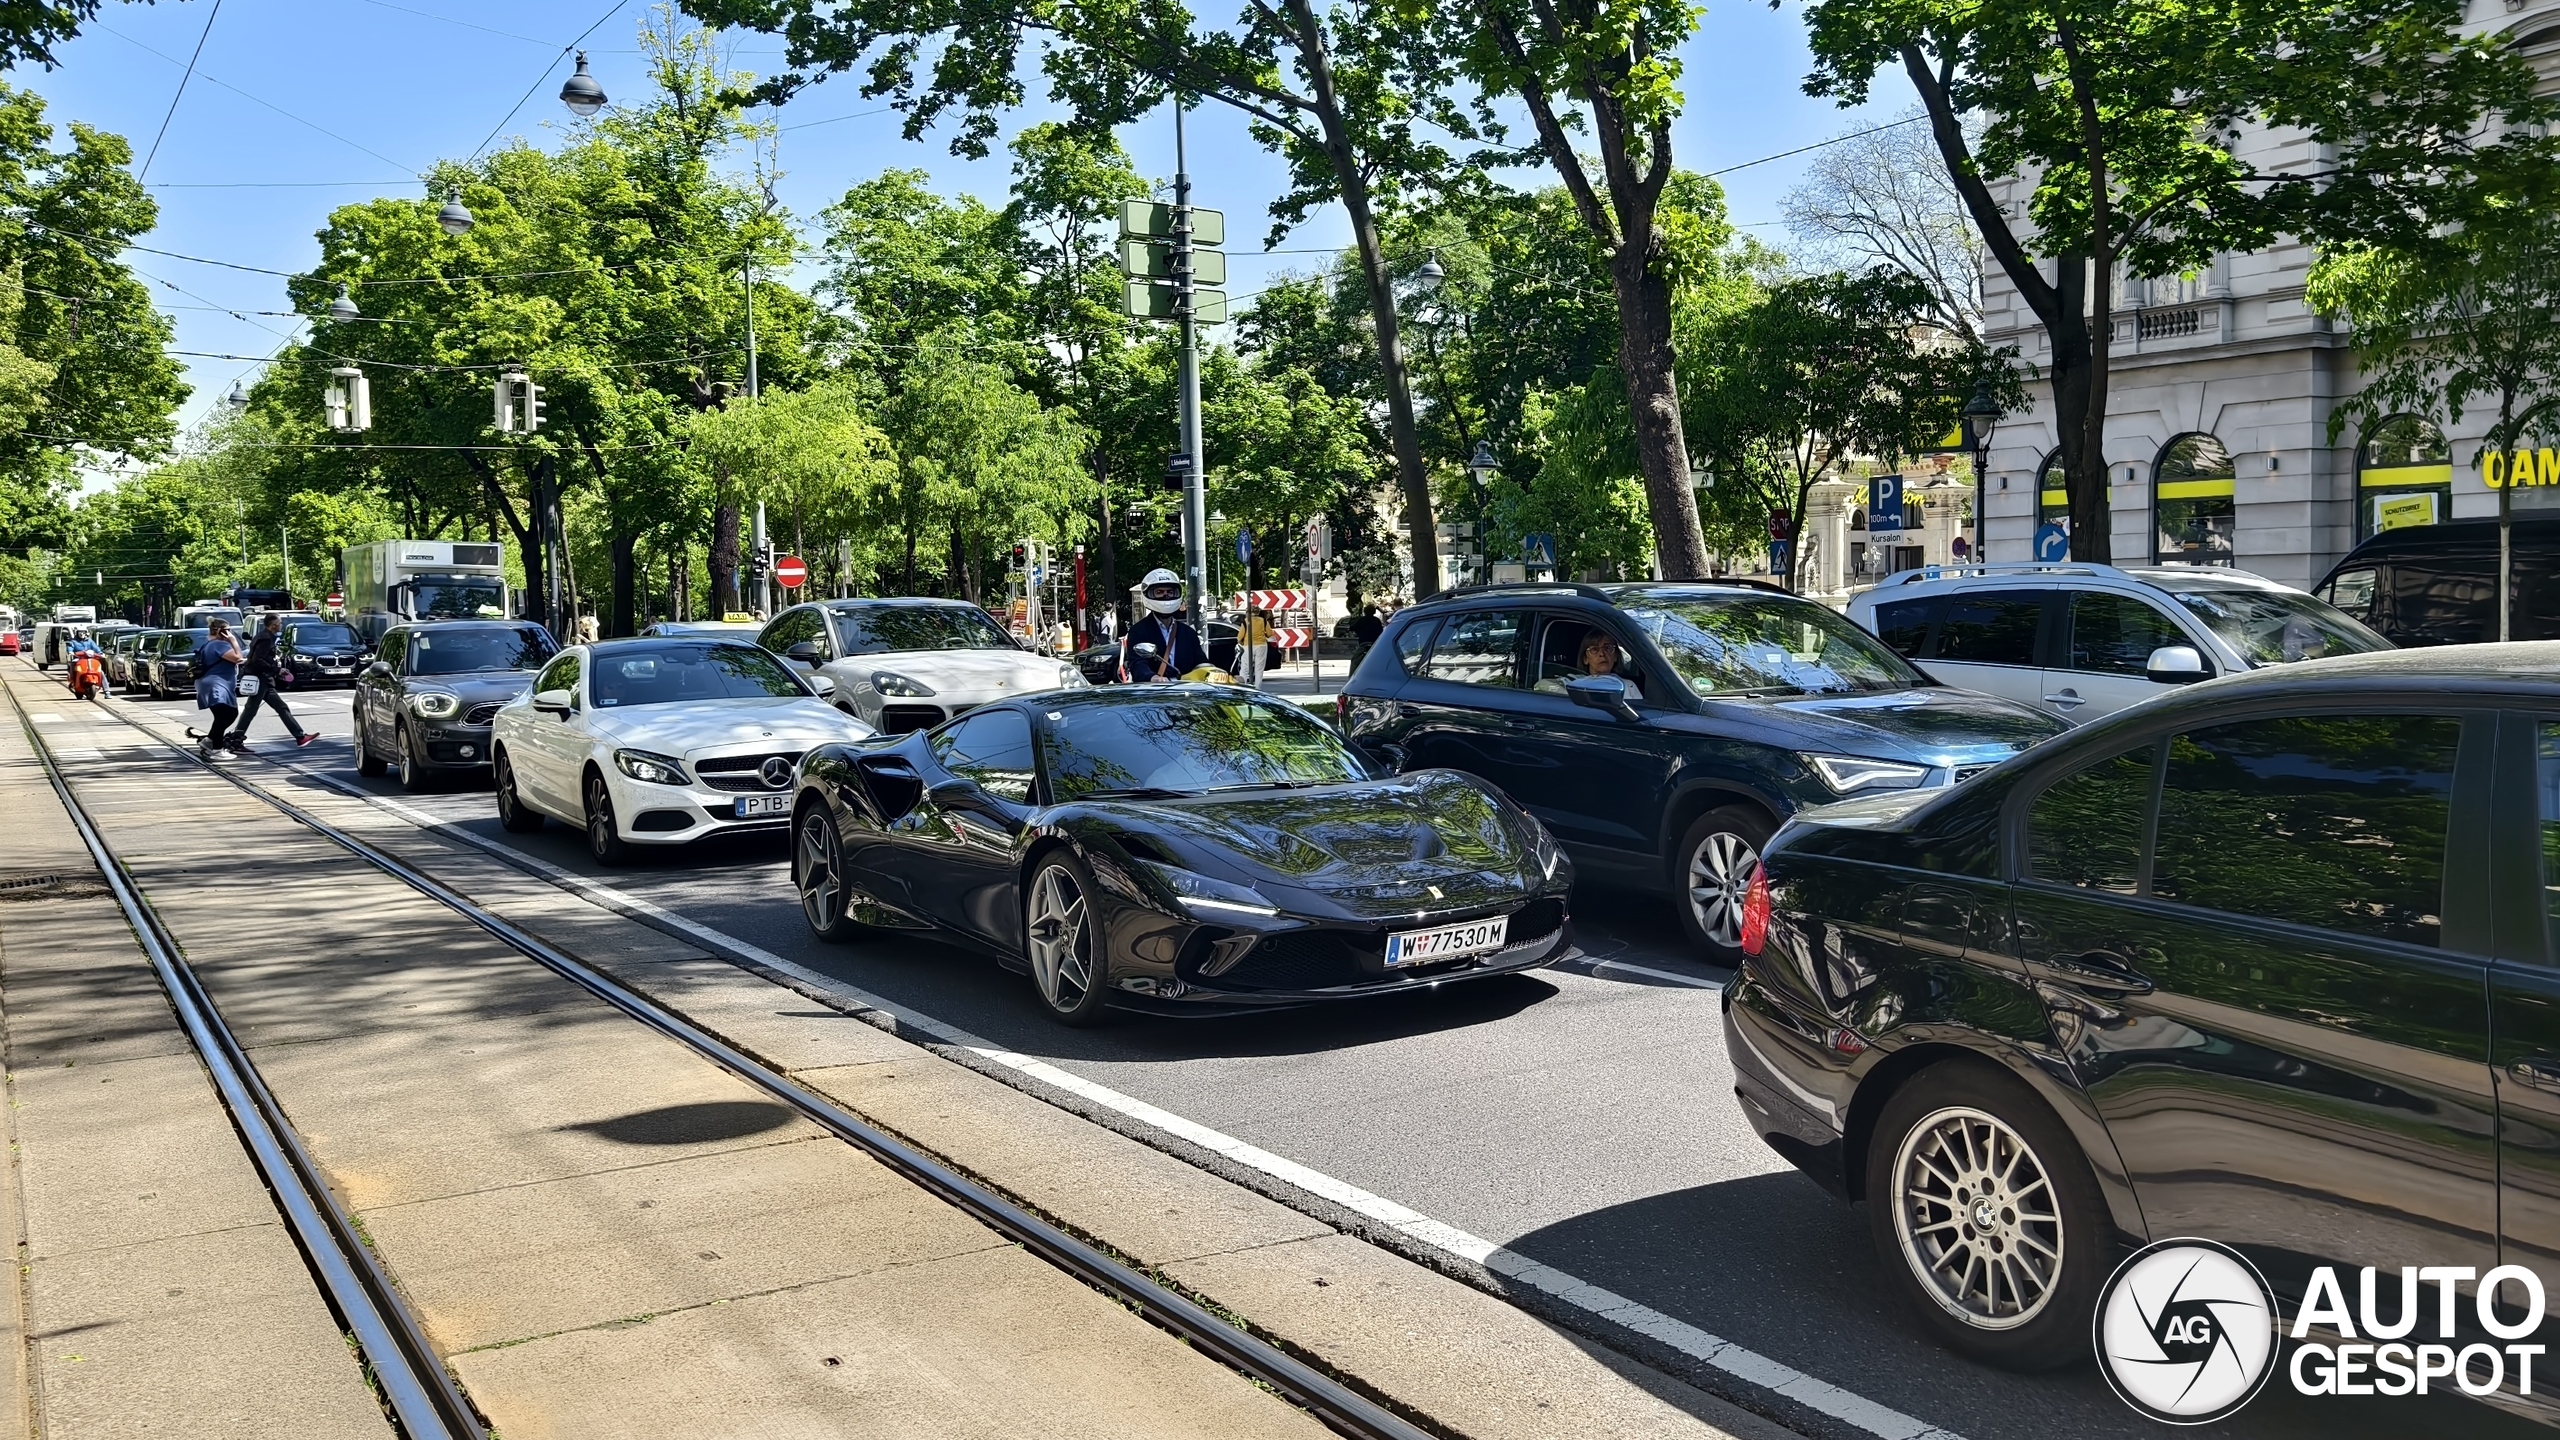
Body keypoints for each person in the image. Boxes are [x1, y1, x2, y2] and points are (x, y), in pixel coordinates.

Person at [233, 613, 317, 751]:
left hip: (264, 679)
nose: (281, 625)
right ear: (273, 625)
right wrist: (277, 670)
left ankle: (300, 736)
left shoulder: (263, 636)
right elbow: (257, 659)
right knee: (251, 709)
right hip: (261, 678)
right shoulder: (266, 638)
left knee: (280, 708)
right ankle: (236, 739)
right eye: (279, 623)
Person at [1118, 568, 1207, 682]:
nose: (1166, 595)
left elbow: (1200, 662)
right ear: (1148, 594)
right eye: (1159, 592)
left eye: (1170, 592)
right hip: (1154, 693)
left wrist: (1214, 671)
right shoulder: (1138, 631)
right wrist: (1152, 677)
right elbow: (1138, 664)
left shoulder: (1188, 632)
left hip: (1185, 692)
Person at [191, 619, 246, 760]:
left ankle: (209, 740)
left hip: (213, 684)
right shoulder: (219, 645)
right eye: (228, 630)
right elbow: (238, 658)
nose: (230, 632)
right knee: (225, 715)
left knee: (228, 714)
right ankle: (216, 749)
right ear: (222, 631)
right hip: (215, 685)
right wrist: (233, 641)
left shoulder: (209, 644)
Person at [1236, 606, 1273, 689]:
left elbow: (1239, 636)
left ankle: (1243, 687)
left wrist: (1241, 643)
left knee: (1245, 667)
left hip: (1247, 646)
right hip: (1261, 645)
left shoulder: (1246, 621)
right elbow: (1270, 633)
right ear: (1258, 612)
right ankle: (1257, 688)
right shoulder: (1263, 621)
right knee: (1259, 669)